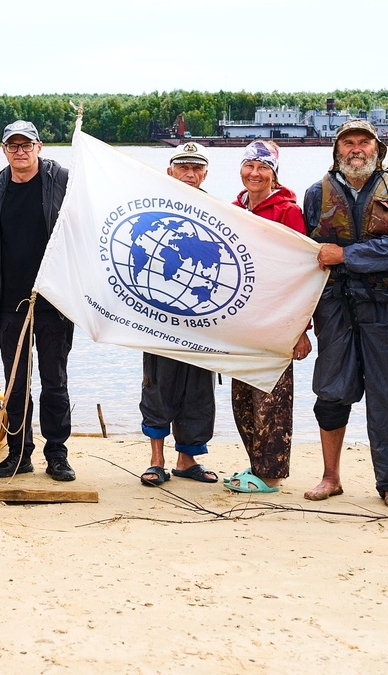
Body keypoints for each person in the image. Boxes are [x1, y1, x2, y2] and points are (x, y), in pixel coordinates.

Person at [302, 119, 388, 508]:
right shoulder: (316, 194)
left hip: (385, 307)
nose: (355, 149)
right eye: (347, 143)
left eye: (363, 143)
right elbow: (306, 254)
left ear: (377, 150)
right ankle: (330, 476)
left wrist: (346, 255)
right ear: (337, 152)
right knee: (331, 393)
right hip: (334, 306)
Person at [0, 120, 75, 481]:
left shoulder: (62, 180)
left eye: (26, 144)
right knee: (16, 384)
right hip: (8, 303)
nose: (20, 151)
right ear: (4, 150)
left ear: (39, 147)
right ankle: (19, 453)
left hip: (55, 303)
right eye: (12, 146)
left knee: (55, 382)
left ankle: (57, 455)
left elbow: (86, 228)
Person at [224, 140, 311, 493]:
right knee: (242, 398)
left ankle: (272, 474)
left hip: (277, 319)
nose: (254, 174)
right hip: (241, 319)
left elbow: (303, 271)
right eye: (249, 166)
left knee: (271, 400)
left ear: (274, 174)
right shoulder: (232, 208)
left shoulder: (288, 211)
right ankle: (257, 465)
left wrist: (301, 328)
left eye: (263, 168)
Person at [139, 143, 218, 487]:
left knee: (198, 391)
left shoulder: (218, 213)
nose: (189, 172)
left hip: (202, 316)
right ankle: (156, 459)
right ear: (169, 171)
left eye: (196, 167)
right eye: (183, 166)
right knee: (157, 387)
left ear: (205, 173)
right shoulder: (152, 209)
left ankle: (187, 460)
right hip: (159, 315)